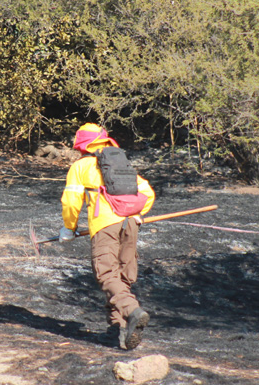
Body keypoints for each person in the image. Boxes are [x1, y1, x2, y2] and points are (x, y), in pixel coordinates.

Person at [58, 123, 155, 350]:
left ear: (81, 144)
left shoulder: (81, 166)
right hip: (130, 223)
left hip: (105, 226)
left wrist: (68, 229)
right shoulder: (121, 161)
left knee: (106, 274)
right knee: (121, 277)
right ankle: (117, 332)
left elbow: (71, 202)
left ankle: (132, 312)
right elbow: (147, 192)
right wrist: (139, 214)